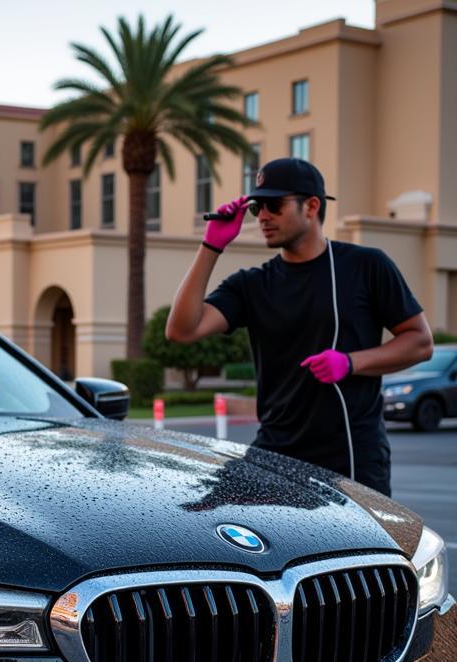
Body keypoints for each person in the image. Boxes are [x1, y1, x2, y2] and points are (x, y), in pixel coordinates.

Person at [166, 157, 433, 496]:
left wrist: (351, 363)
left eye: (274, 205)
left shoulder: (366, 266)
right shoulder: (251, 284)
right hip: (274, 453)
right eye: (257, 207)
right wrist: (211, 246)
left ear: (311, 206)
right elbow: (182, 330)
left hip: (350, 456)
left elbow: (420, 341)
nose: (262, 216)